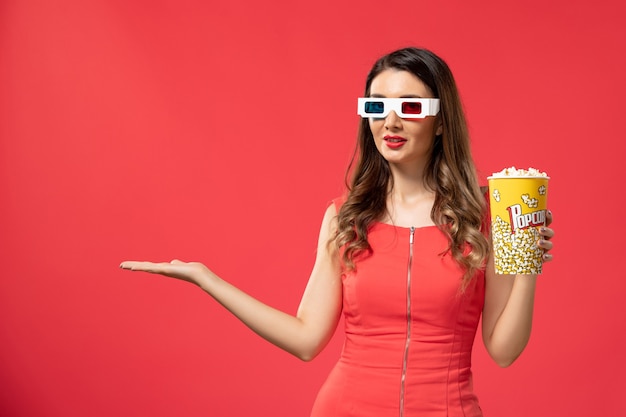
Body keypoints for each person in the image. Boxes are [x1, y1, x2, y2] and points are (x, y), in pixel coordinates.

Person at [120, 47, 555, 417]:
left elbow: (504, 350)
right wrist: (205, 277)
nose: (390, 121)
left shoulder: (485, 218)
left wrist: (529, 261)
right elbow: (307, 339)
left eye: (409, 106)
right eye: (376, 105)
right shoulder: (344, 217)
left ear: (441, 121)